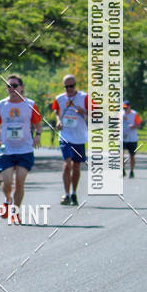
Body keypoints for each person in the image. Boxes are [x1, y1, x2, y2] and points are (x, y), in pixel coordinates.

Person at [0, 74, 41, 225]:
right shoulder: (1, 105)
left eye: (15, 86)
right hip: (6, 150)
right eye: (9, 86)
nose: (11, 89)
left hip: (24, 150)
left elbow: (38, 124)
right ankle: (7, 200)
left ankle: (16, 212)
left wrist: (38, 135)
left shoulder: (30, 104)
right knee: (7, 182)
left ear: (22, 87)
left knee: (20, 182)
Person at [52, 74, 89, 206]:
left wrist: (84, 111)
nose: (69, 89)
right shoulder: (59, 98)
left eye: (71, 86)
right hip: (65, 135)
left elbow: (96, 113)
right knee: (67, 164)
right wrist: (58, 121)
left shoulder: (84, 97)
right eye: (66, 87)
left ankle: (74, 193)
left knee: (76, 165)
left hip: (79, 136)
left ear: (75, 85)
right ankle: (66, 194)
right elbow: (56, 110)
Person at [122, 100, 142, 178]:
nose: (125, 109)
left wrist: (133, 126)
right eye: (123, 108)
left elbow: (139, 125)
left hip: (132, 138)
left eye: (126, 108)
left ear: (130, 107)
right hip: (122, 138)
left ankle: (131, 171)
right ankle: (122, 170)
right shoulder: (120, 114)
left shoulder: (134, 114)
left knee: (131, 156)